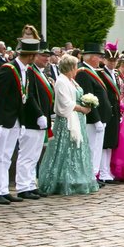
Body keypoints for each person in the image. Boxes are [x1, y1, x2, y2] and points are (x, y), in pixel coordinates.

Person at [38, 54, 99, 196]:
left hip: (78, 119)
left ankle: (78, 178)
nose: (77, 69)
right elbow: (65, 103)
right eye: (75, 66)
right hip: (68, 121)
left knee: (77, 149)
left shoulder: (72, 81)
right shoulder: (61, 81)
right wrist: (81, 108)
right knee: (65, 149)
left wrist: (87, 103)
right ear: (70, 67)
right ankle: (62, 180)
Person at [0, 38, 41, 204]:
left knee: (6, 156)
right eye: (35, 55)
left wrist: (23, 121)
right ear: (30, 55)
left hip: (16, 119)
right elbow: (1, 98)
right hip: (4, 119)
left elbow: (25, 96)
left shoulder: (26, 70)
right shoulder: (8, 69)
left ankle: (3, 189)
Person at [16, 42, 54, 199]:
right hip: (32, 120)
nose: (47, 59)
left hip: (41, 120)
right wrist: (39, 114)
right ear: (35, 55)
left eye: (48, 56)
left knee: (34, 155)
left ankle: (31, 184)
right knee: (27, 154)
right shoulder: (30, 71)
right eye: (43, 55)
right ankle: (23, 186)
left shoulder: (41, 72)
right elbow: (29, 95)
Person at [75, 43, 113, 186]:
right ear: (91, 57)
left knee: (96, 149)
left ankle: (93, 175)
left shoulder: (92, 71)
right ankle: (90, 176)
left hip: (101, 118)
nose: (101, 59)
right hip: (92, 120)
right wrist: (96, 119)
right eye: (99, 56)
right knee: (91, 148)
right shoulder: (83, 73)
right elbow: (88, 97)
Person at [98, 42, 121, 184]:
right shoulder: (101, 74)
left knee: (111, 143)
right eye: (110, 60)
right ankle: (103, 172)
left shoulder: (116, 74)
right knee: (104, 143)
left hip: (115, 111)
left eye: (115, 60)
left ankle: (107, 170)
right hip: (107, 111)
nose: (112, 63)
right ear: (105, 60)